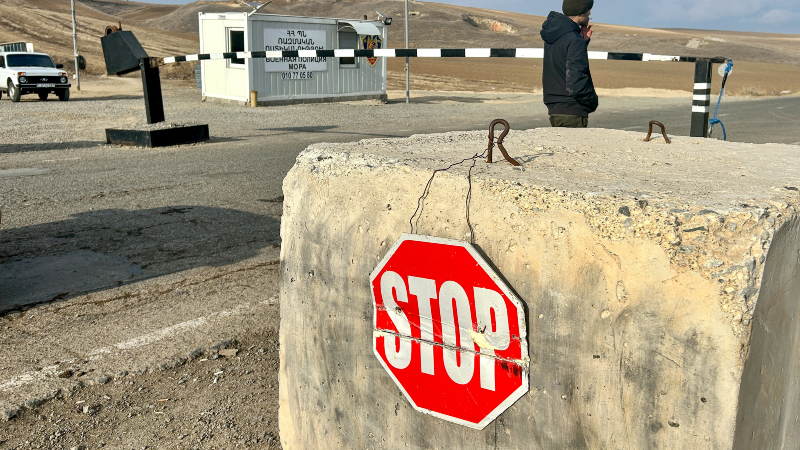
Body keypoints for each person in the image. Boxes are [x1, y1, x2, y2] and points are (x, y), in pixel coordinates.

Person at [540, 0, 599, 128]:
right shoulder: (574, 39)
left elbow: (561, 62)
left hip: (555, 108)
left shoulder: (555, 35)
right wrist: (592, 102)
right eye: (589, 12)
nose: (589, 16)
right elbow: (576, 79)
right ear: (582, 13)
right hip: (572, 111)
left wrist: (583, 42)